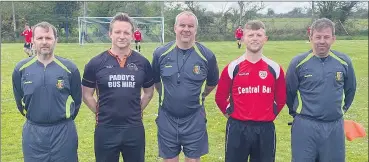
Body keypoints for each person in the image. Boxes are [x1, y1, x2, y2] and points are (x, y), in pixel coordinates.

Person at [82, 12, 154, 162]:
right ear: (110, 34)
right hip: (105, 129)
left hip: (134, 128)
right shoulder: (95, 63)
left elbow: (148, 92)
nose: (122, 36)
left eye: (126, 32)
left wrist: (137, 109)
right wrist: (100, 111)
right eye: (118, 32)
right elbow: (86, 94)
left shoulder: (143, 63)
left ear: (132, 35)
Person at [152, 11, 219, 162]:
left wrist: (200, 96)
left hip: (194, 117)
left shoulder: (207, 56)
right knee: (169, 160)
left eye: (190, 26)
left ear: (196, 29)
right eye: (182, 25)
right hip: (167, 116)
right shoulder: (160, 54)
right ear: (175, 27)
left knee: (193, 160)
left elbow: (212, 82)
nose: (186, 29)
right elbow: (156, 81)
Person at [286, 18, 357, 162]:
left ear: (333, 39)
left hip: (334, 126)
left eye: (326, 37)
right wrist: (298, 114)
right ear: (311, 38)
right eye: (318, 37)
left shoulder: (344, 62)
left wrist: (339, 111)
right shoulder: (298, 62)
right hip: (305, 125)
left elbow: (350, 90)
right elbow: (289, 92)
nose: (322, 41)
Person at [215, 20, 286, 162]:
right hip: (237, 128)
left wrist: (269, 114)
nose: (255, 38)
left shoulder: (275, 68)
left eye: (259, 35)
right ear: (242, 38)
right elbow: (220, 97)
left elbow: (281, 99)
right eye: (251, 35)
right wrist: (231, 114)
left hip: (265, 128)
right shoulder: (232, 67)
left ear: (265, 39)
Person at [12, 21, 82, 162]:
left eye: (49, 38)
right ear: (32, 41)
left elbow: (77, 100)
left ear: (56, 40)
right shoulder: (21, 69)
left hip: (63, 133)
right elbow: (20, 101)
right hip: (34, 133)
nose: (44, 42)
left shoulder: (70, 69)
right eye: (40, 38)